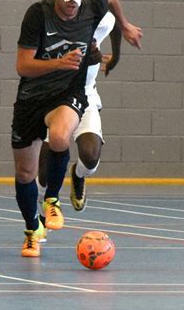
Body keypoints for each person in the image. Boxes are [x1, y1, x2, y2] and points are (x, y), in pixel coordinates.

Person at [11, 0, 142, 257]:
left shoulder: (92, 10)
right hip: (32, 96)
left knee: (59, 137)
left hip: (70, 92)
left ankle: (53, 201)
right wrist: (59, 62)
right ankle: (32, 230)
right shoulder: (38, 15)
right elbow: (22, 65)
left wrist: (125, 24)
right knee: (25, 172)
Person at [36, 12, 122, 239]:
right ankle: (42, 217)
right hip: (55, 101)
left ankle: (79, 174)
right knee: (44, 173)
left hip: (86, 98)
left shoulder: (97, 18)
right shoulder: (48, 25)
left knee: (91, 156)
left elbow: (114, 24)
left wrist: (115, 57)